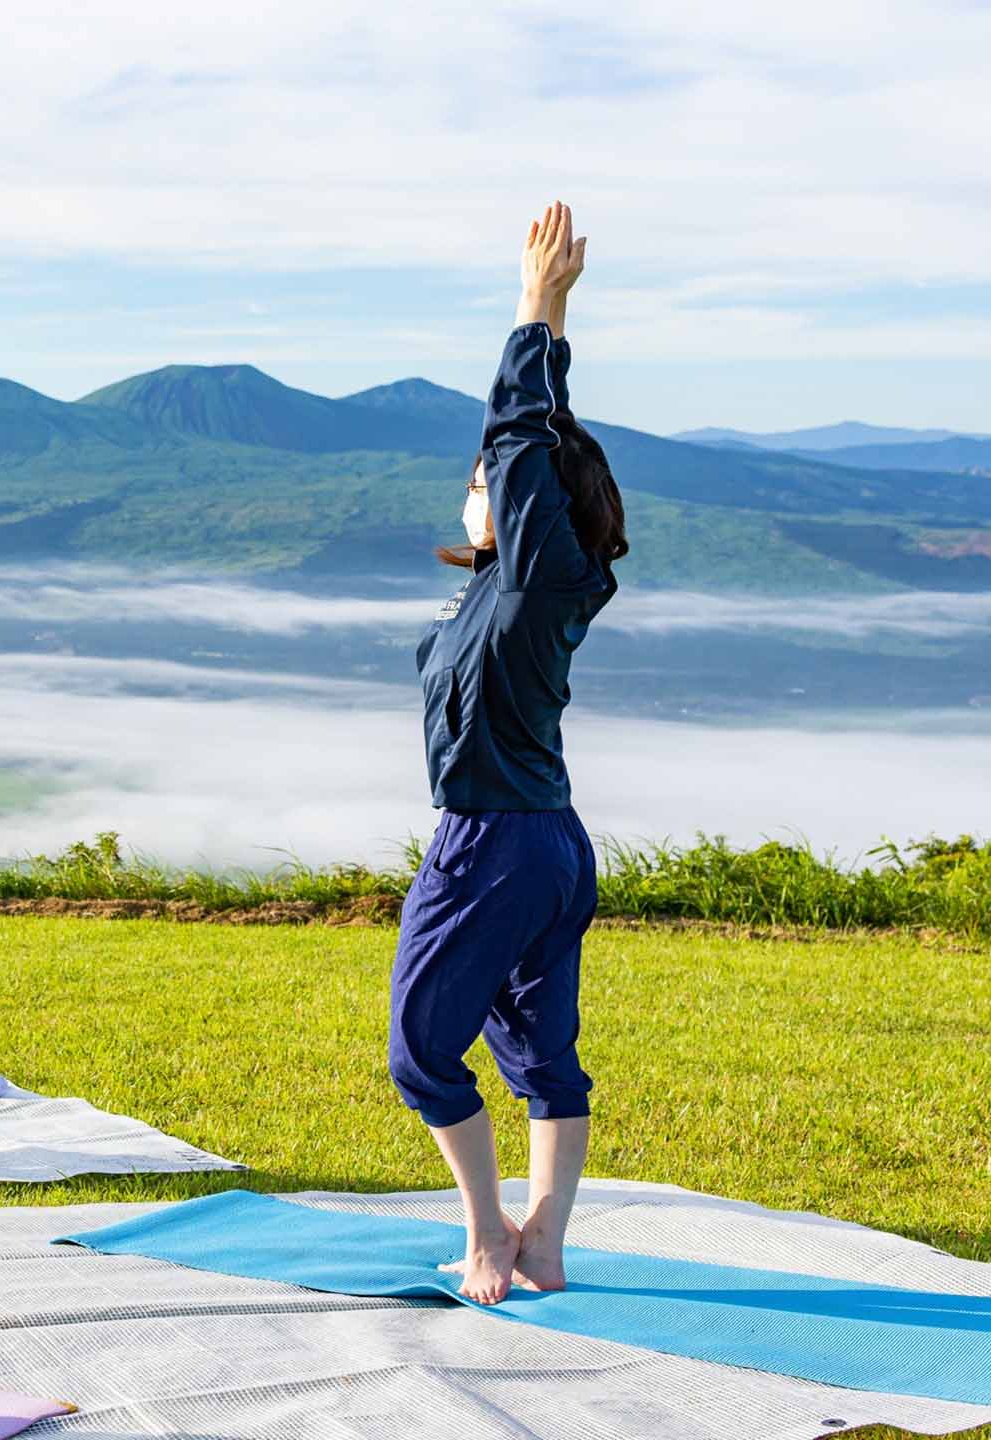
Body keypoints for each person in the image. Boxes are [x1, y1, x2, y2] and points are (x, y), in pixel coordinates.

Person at [391, 201, 629, 1305]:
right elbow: (543, 455)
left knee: (420, 1056)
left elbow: (528, 441)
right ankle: (547, 1241)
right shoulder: (518, 590)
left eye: (488, 481)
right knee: (540, 1054)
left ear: (534, 513)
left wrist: (539, 310)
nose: (476, 484)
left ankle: (490, 1234)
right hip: (546, 844)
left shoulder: (534, 581)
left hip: (492, 845)